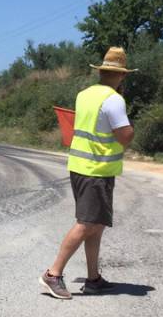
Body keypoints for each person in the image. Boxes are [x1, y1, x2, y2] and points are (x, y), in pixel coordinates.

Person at [40, 46, 136, 300]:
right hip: (97, 170)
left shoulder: (84, 95)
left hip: (81, 167)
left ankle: (93, 279)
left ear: (101, 72)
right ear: (122, 75)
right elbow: (125, 136)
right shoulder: (114, 100)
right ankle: (53, 274)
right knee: (87, 224)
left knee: (96, 225)